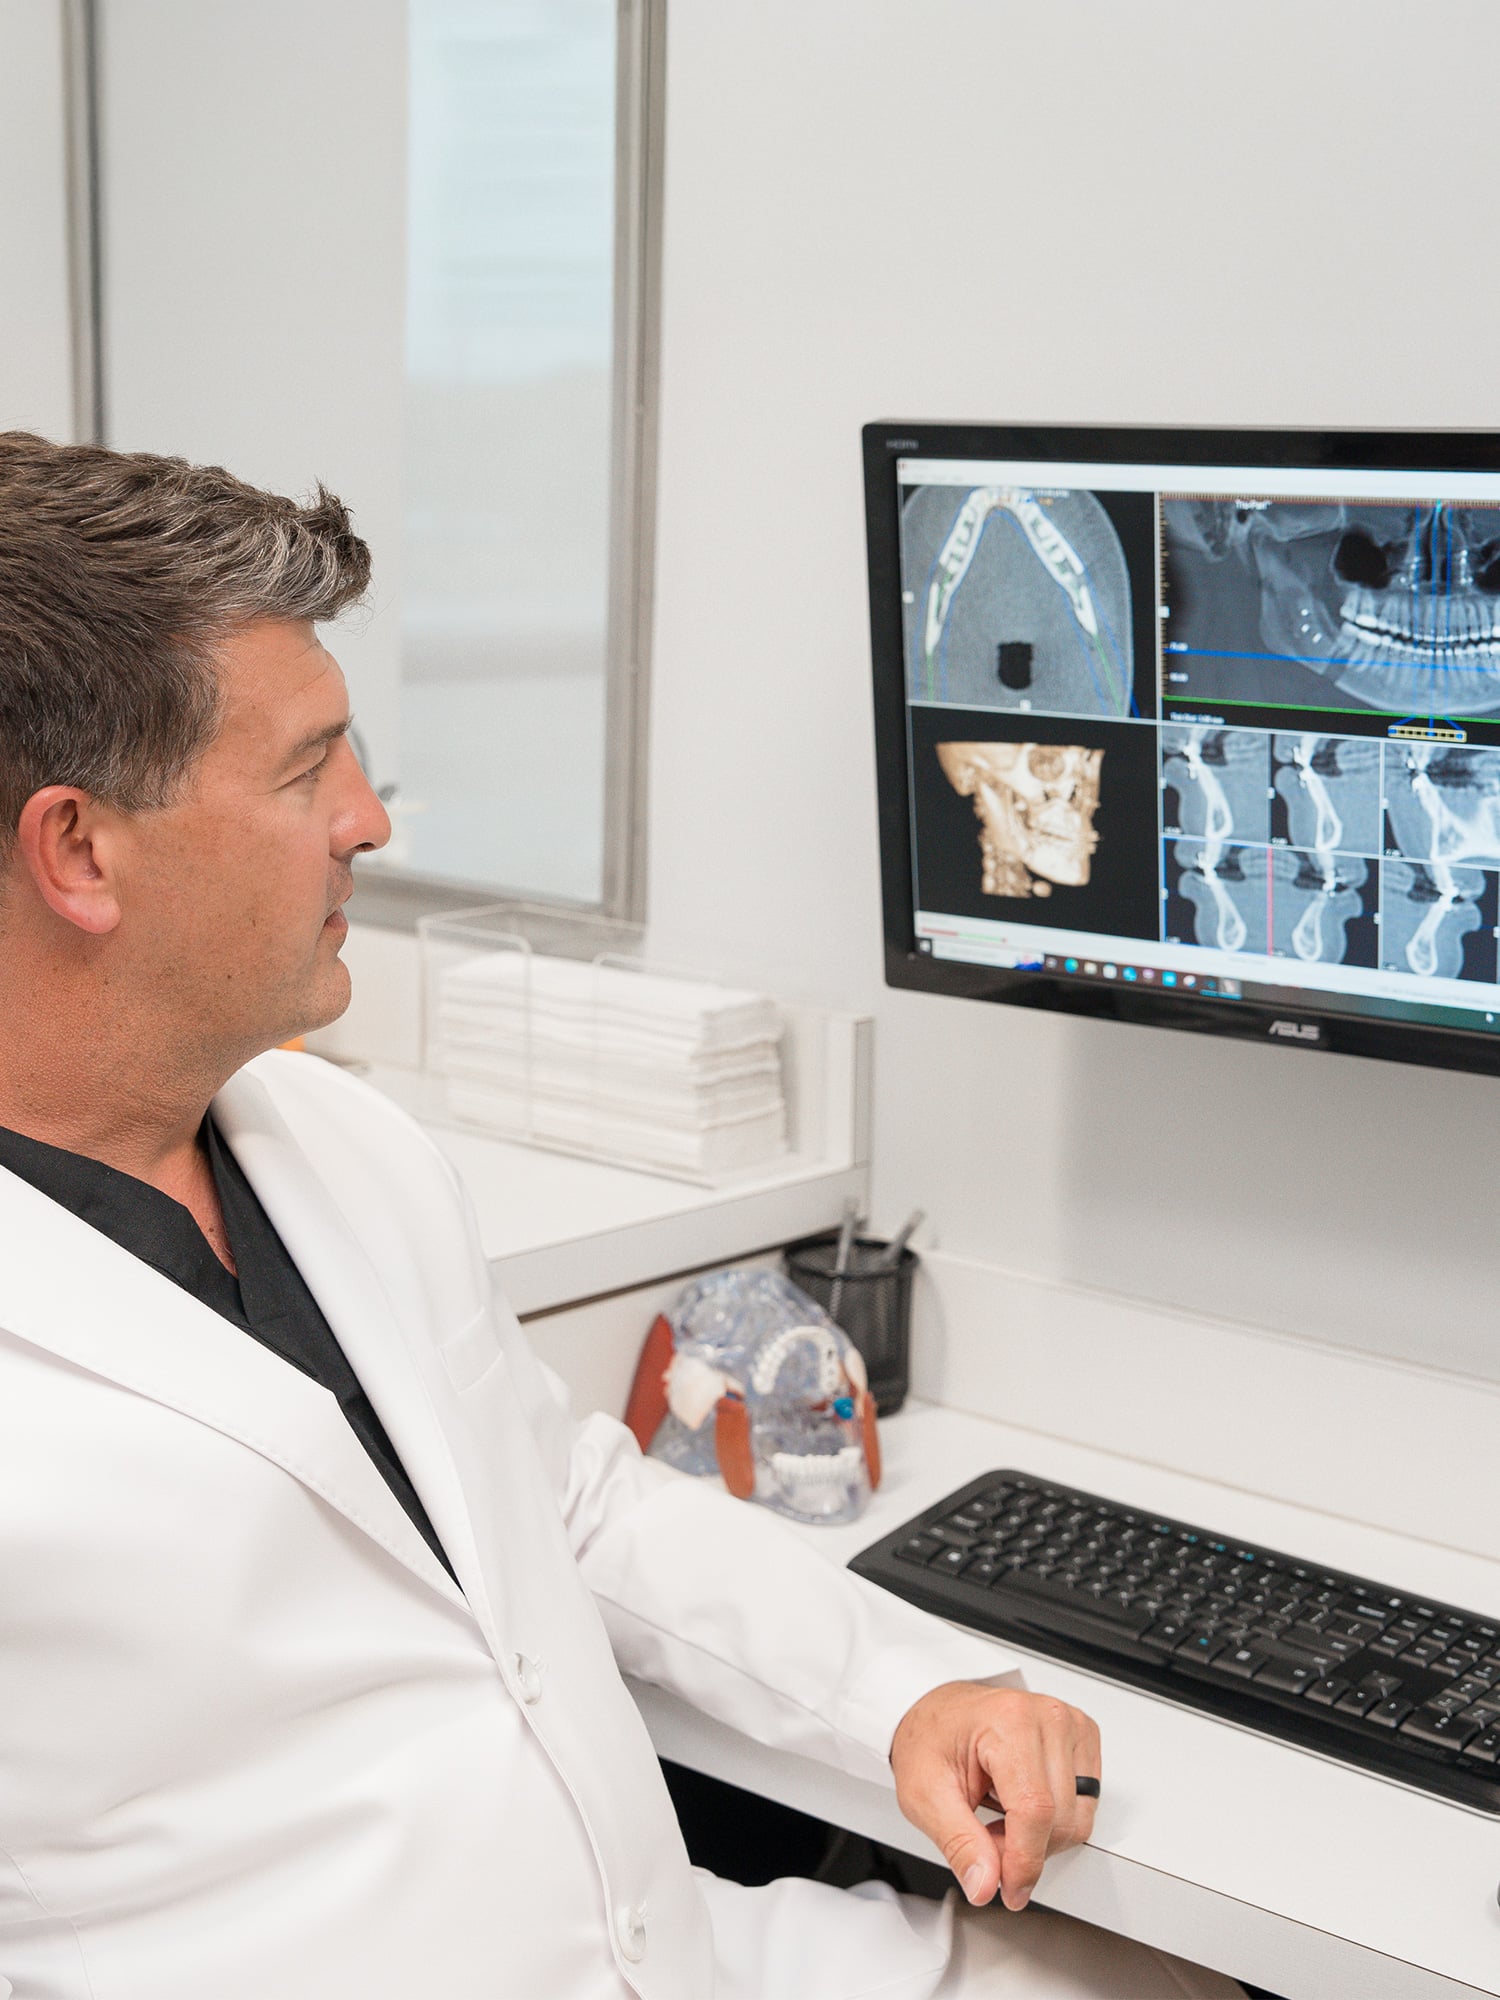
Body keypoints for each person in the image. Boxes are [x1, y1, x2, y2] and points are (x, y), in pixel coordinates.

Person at [0, 432, 1245, 2000]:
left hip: (677, 1948)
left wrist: (901, 1696)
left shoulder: (331, 1140)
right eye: (311, 770)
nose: (371, 823)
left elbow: (560, 1507)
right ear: (80, 850)